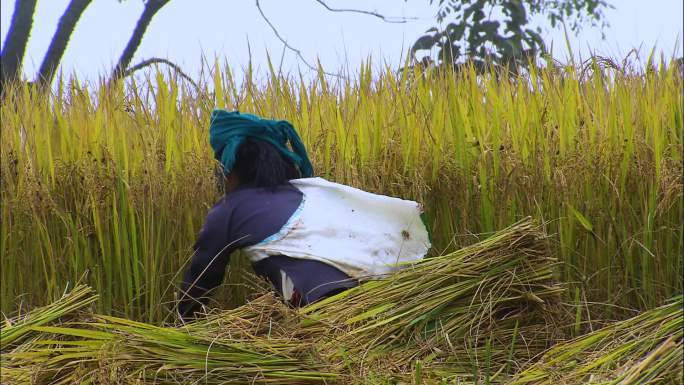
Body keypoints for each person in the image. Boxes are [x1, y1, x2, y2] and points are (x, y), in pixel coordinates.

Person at [178, 110, 430, 319]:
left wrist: (181, 326)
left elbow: (202, 279)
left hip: (325, 310)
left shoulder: (229, 209)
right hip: (384, 300)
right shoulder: (312, 192)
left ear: (230, 164)